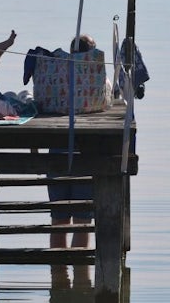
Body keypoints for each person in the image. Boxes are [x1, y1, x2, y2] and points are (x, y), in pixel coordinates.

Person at [48, 33, 98, 249]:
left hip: (58, 148)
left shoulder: (55, 77)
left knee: (58, 220)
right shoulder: (97, 78)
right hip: (84, 152)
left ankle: (57, 275)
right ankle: (81, 278)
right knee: (82, 222)